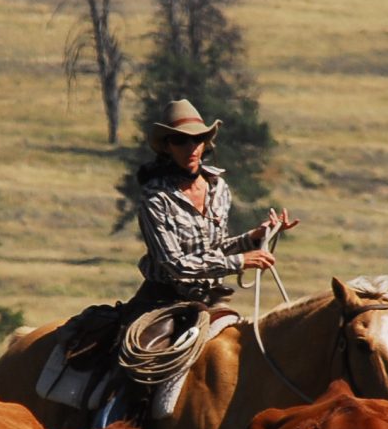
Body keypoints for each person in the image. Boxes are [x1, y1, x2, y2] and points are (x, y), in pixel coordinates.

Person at [127, 99, 296, 321]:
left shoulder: (219, 188)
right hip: (162, 303)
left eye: (197, 139)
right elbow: (174, 265)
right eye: (180, 140)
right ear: (167, 147)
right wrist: (241, 261)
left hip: (211, 300)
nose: (191, 147)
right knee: (141, 354)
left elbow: (215, 249)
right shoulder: (156, 198)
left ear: (206, 143)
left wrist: (253, 238)